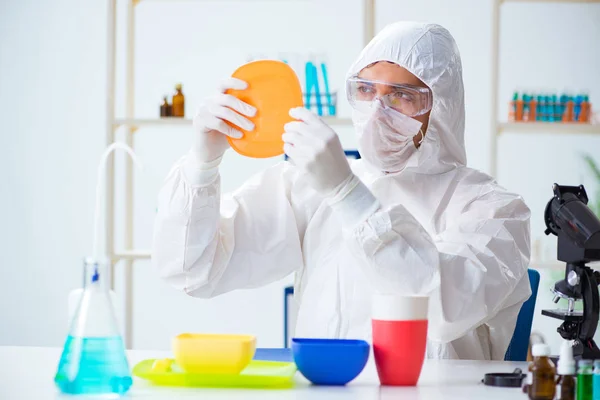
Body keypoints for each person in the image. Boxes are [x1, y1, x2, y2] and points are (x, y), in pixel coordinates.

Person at [151, 21, 532, 360]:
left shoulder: (493, 210)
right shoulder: (312, 184)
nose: (378, 109)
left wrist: (348, 196)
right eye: (366, 89)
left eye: (401, 95)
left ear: (441, 107)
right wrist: (202, 166)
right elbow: (193, 272)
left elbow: (441, 310)